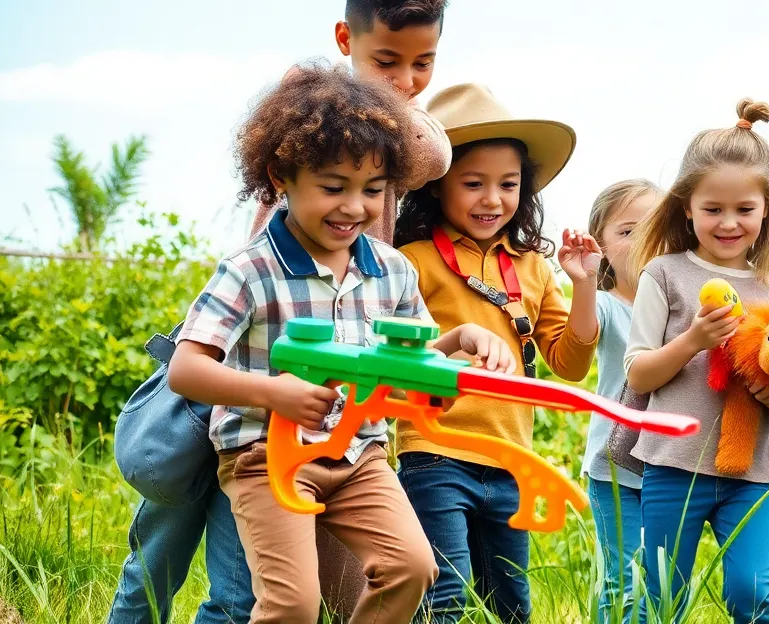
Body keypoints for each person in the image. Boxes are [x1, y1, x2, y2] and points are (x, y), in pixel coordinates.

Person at [106, 0, 453, 623]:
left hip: (340, 414)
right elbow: (195, 364)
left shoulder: (386, 260)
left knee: (311, 586)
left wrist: (377, 96)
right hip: (246, 377)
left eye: (423, 64)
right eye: (386, 60)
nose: (406, 81)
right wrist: (342, 87)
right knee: (171, 544)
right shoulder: (303, 118)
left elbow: (430, 152)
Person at [166, 62, 514, 622]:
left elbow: (410, 360)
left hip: (360, 454)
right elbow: (187, 369)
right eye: (334, 187)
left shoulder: (392, 270)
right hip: (265, 455)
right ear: (282, 175)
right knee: (293, 605)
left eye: (373, 190)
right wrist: (275, 394)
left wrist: (457, 344)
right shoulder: (250, 270)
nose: (354, 207)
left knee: (411, 568)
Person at [392, 82, 601, 623]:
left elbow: (570, 365)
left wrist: (583, 286)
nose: (492, 200)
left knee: (512, 607)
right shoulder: (409, 260)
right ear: (438, 187)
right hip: (433, 452)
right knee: (445, 598)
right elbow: (396, 357)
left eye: (508, 185)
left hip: (511, 458)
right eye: (473, 183)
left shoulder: (532, 266)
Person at [622, 99, 769, 624]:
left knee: (749, 589)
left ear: (767, 210)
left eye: (744, 209)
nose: (728, 223)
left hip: (753, 468)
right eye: (712, 209)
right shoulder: (665, 275)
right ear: (686, 208)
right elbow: (639, 373)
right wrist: (693, 340)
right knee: (661, 594)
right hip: (674, 464)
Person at [580, 177, 662, 624]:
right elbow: (582, 331)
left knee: (667, 579)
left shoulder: (684, 305)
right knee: (624, 579)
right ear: (603, 246)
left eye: (653, 227)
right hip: (614, 465)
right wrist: (584, 278)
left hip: (670, 464)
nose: (642, 240)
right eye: (626, 231)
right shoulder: (608, 306)